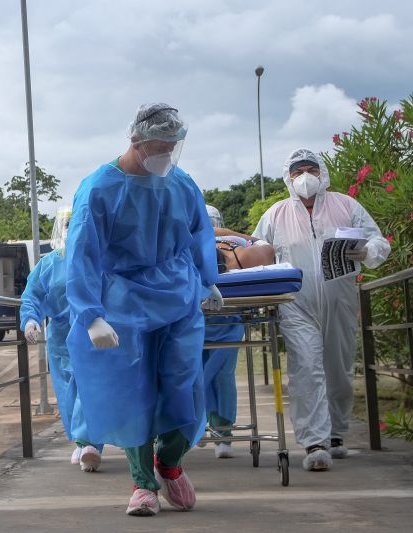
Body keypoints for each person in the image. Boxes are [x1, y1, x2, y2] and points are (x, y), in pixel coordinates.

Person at [65, 103, 221, 517]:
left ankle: (169, 461)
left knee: (184, 384)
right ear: (135, 140)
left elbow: (197, 234)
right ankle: (142, 484)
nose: (166, 155)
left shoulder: (180, 182)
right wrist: (90, 313)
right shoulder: (99, 188)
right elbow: (81, 253)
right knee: (135, 392)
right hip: (125, 301)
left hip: (178, 296)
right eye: (159, 146)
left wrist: (208, 281)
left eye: (172, 147)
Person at [253, 148, 390, 471]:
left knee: (339, 369)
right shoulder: (275, 214)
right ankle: (315, 441)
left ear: (322, 173)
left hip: (339, 299)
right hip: (296, 303)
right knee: (306, 368)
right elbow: (257, 251)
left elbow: (378, 241)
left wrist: (367, 250)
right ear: (288, 177)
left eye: (311, 170)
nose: (305, 177)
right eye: (297, 171)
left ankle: (337, 432)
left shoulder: (347, 205)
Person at [19, 207, 104, 473]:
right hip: (60, 337)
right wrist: (31, 320)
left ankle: (90, 442)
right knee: (67, 392)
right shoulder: (49, 263)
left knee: (88, 387)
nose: (72, 230)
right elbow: (32, 295)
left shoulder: (98, 260)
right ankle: (81, 441)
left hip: (92, 332)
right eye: (67, 225)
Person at [202, 205, 247, 459]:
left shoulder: (234, 244)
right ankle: (196, 424)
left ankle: (223, 432)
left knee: (222, 376)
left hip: (228, 321)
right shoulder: (186, 244)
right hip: (196, 322)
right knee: (194, 375)